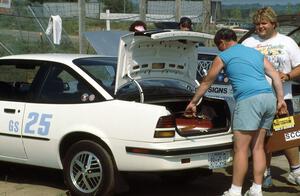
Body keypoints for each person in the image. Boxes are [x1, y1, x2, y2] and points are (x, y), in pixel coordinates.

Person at [185, 28, 287, 196]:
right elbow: (275, 76)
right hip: (268, 98)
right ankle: (256, 189)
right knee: (258, 147)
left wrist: (193, 102)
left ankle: (235, 191)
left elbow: (207, 81)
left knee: (240, 149)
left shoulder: (224, 56)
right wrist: (280, 100)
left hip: (249, 100)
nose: (219, 50)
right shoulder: (255, 53)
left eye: (219, 46)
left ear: (222, 42)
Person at [242, 7, 300, 188]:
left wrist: (288, 76)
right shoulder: (248, 43)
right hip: (255, 100)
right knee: (261, 138)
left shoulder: (287, 42)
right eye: (257, 24)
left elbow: (299, 66)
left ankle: (296, 171)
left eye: (264, 23)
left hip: (282, 99)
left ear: (274, 24)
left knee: (287, 136)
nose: (260, 27)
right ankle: (263, 173)